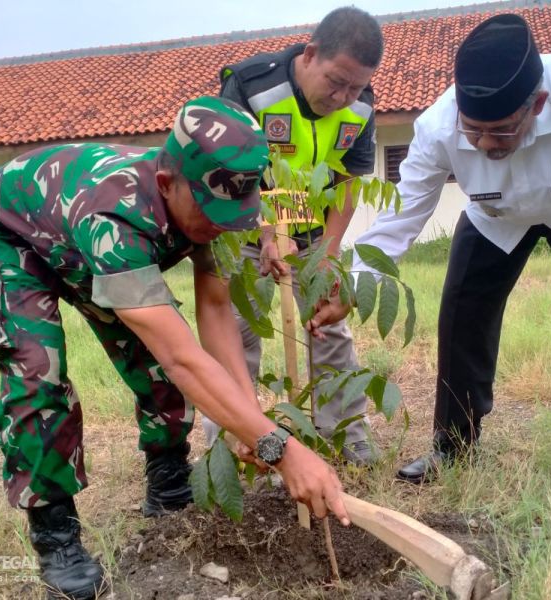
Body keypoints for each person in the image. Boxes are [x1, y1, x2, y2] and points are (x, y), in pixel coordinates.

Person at [0, 96, 351, 600]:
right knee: (38, 369)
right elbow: (184, 356)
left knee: (159, 371)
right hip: (4, 234)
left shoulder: (219, 202)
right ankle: (55, 534)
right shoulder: (113, 217)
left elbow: (216, 311)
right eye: (210, 213)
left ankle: (168, 487)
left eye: (234, 213)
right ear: (166, 184)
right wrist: (281, 449)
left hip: (78, 243)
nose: (222, 224)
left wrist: (247, 416)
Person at [351, 14, 551, 527]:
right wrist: (360, 280)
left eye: (501, 131)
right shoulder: (437, 126)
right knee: (460, 318)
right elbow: (401, 210)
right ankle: (452, 447)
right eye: (472, 132)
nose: (485, 146)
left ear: (537, 104)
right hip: (494, 215)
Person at [203, 6, 385, 465]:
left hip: (313, 236)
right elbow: (230, 172)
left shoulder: (362, 106)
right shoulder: (252, 85)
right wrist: (266, 233)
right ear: (310, 53)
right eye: (336, 81)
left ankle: (344, 435)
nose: (344, 96)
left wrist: (328, 249)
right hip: (243, 232)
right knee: (238, 331)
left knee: (329, 331)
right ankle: (231, 445)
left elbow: (349, 181)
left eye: (356, 86)